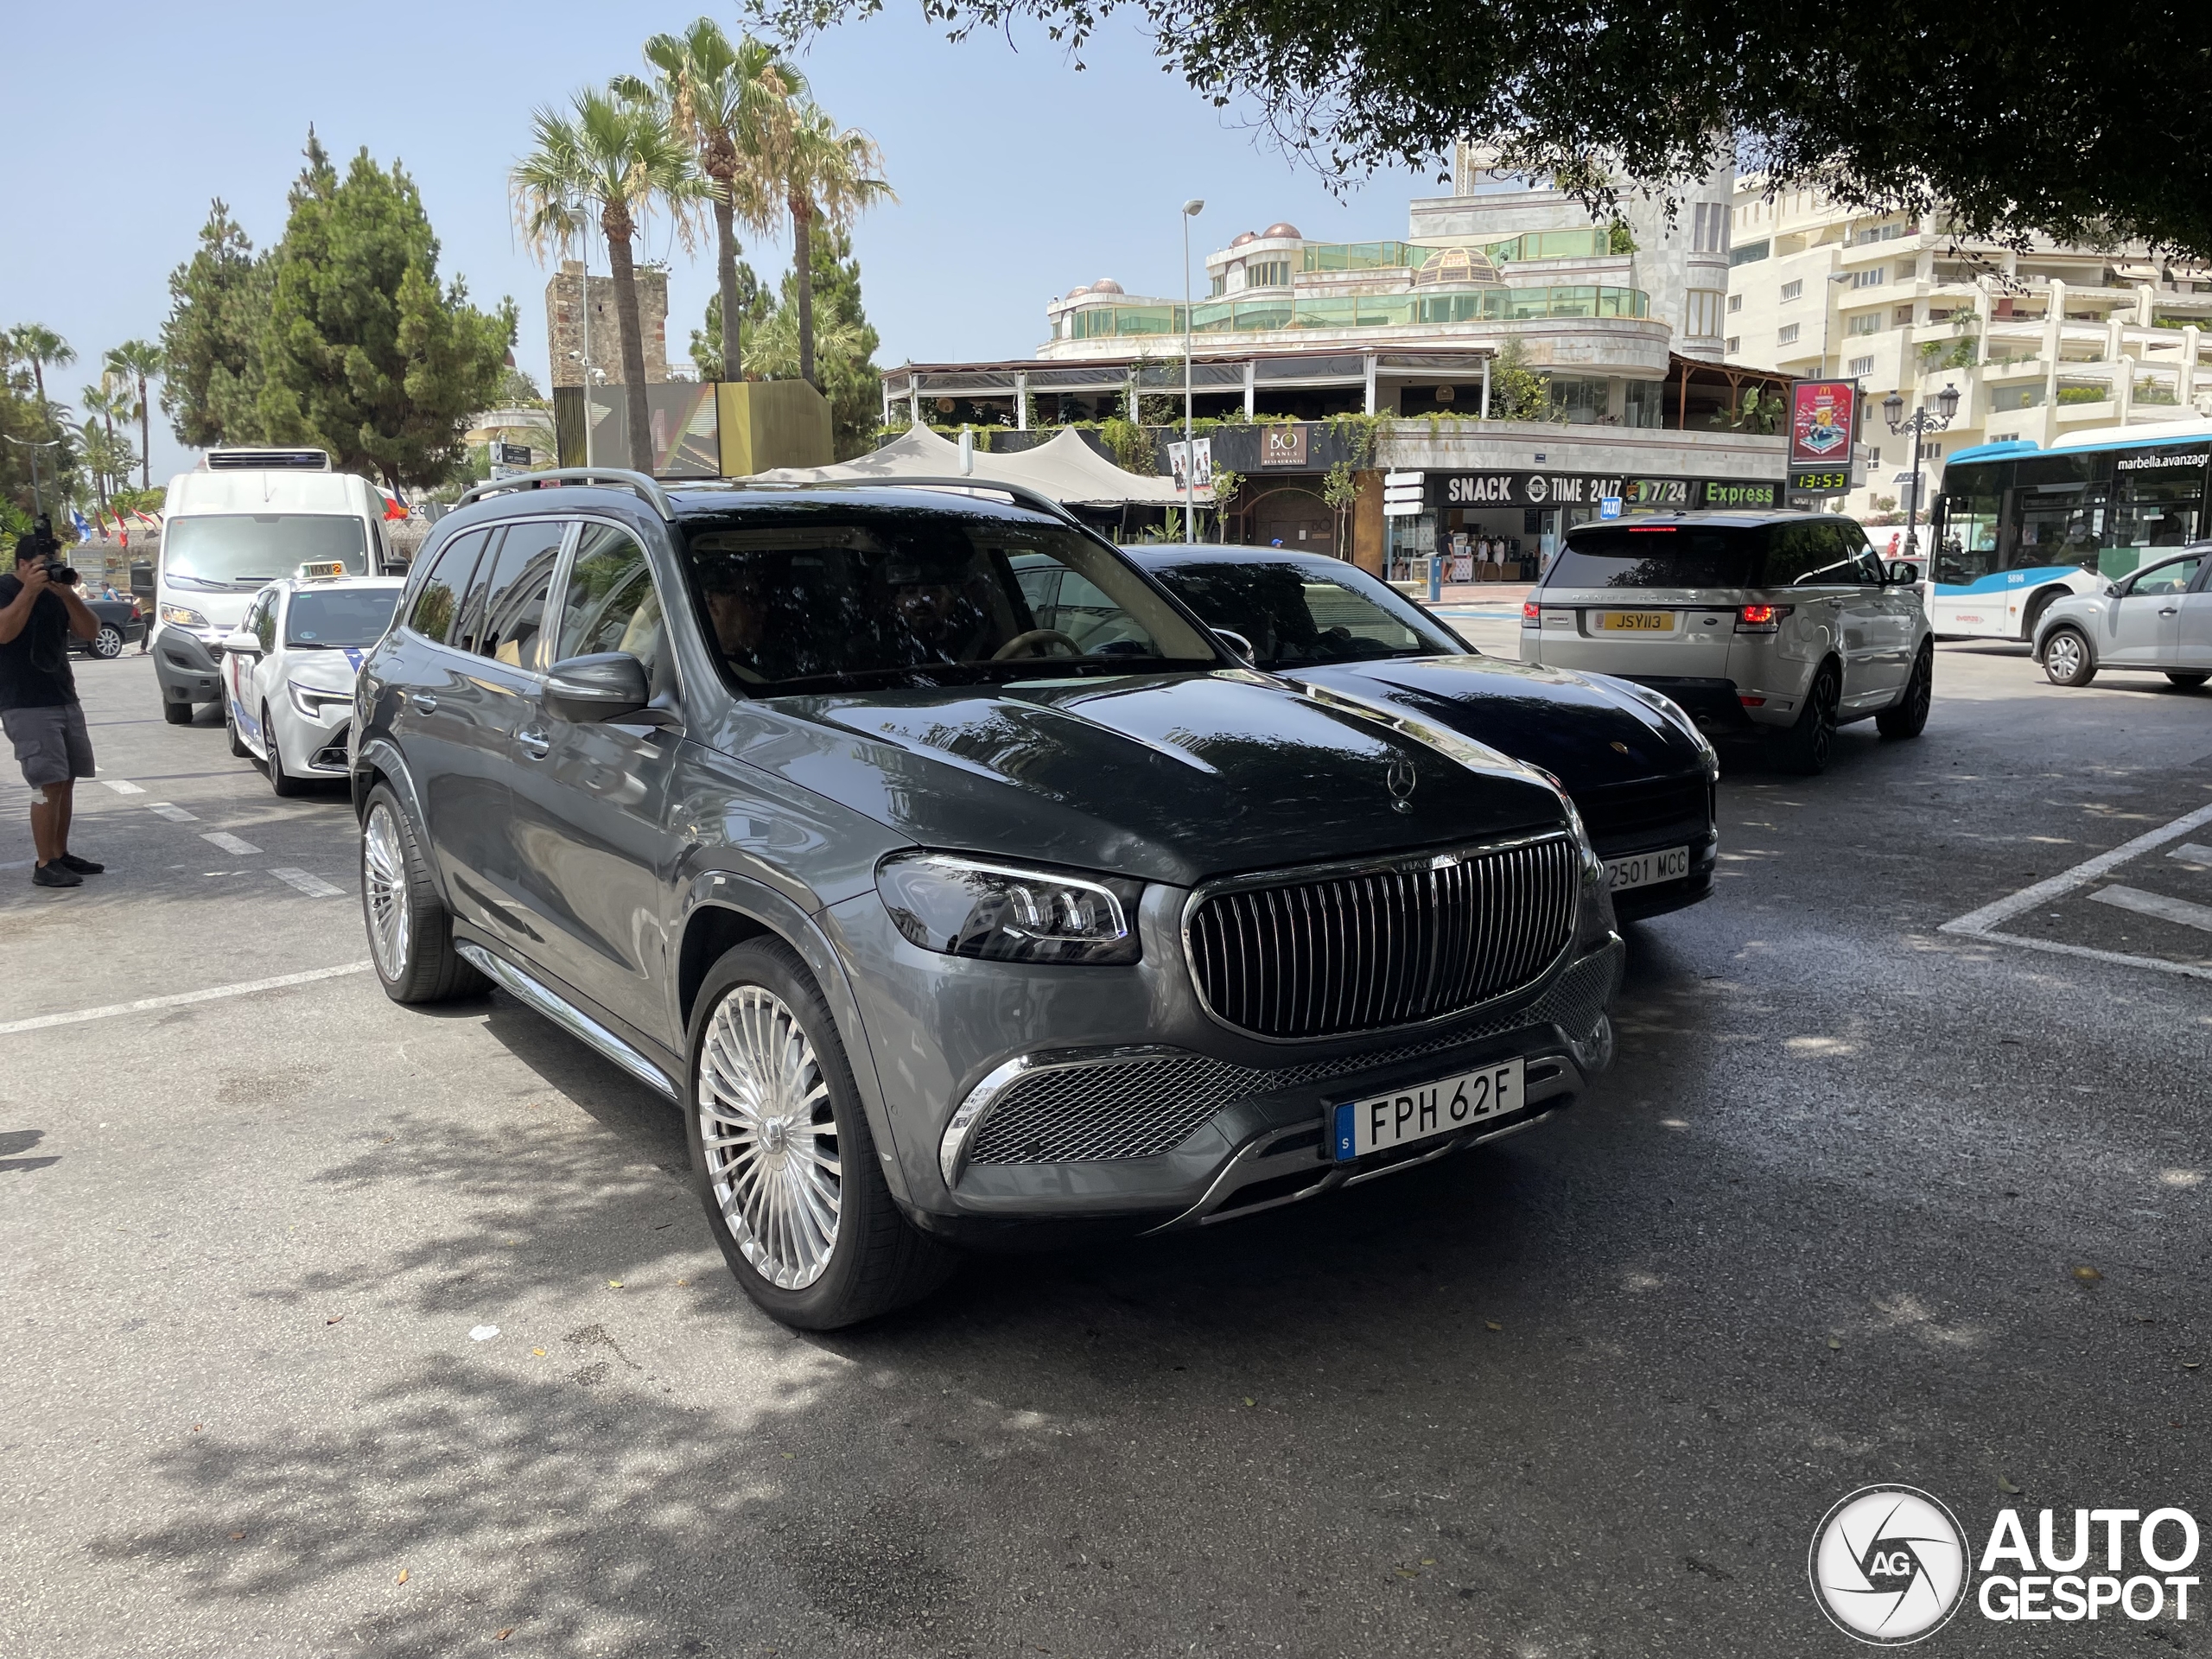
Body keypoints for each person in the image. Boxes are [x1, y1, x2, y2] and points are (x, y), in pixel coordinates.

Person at [1, 518, 105, 888]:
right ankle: (45, 863)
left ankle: (60, 854)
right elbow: (4, 632)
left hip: (63, 695)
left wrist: (66, 593)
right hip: (24, 702)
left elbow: (90, 632)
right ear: (24, 564)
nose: (51, 569)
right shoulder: (4, 588)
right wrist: (28, 592)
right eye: (45, 563)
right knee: (47, 782)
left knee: (67, 780)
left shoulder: (57, 593)